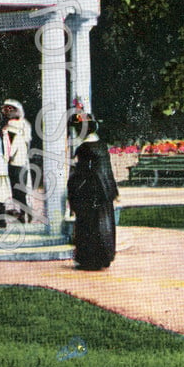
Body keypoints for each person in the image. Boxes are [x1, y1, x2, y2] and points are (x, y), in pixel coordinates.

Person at [66, 113, 118, 270]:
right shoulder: (101, 145)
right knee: (104, 225)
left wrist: (73, 190)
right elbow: (107, 171)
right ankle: (104, 257)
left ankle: (90, 260)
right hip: (104, 192)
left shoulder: (84, 149)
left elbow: (81, 174)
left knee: (89, 226)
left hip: (89, 192)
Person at [2, 99, 33, 222]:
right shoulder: (22, 125)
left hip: (16, 162)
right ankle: (23, 211)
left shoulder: (14, 127)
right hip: (21, 161)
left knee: (18, 188)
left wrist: (7, 156)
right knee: (19, 188)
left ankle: (24, 211)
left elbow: (12, 146)